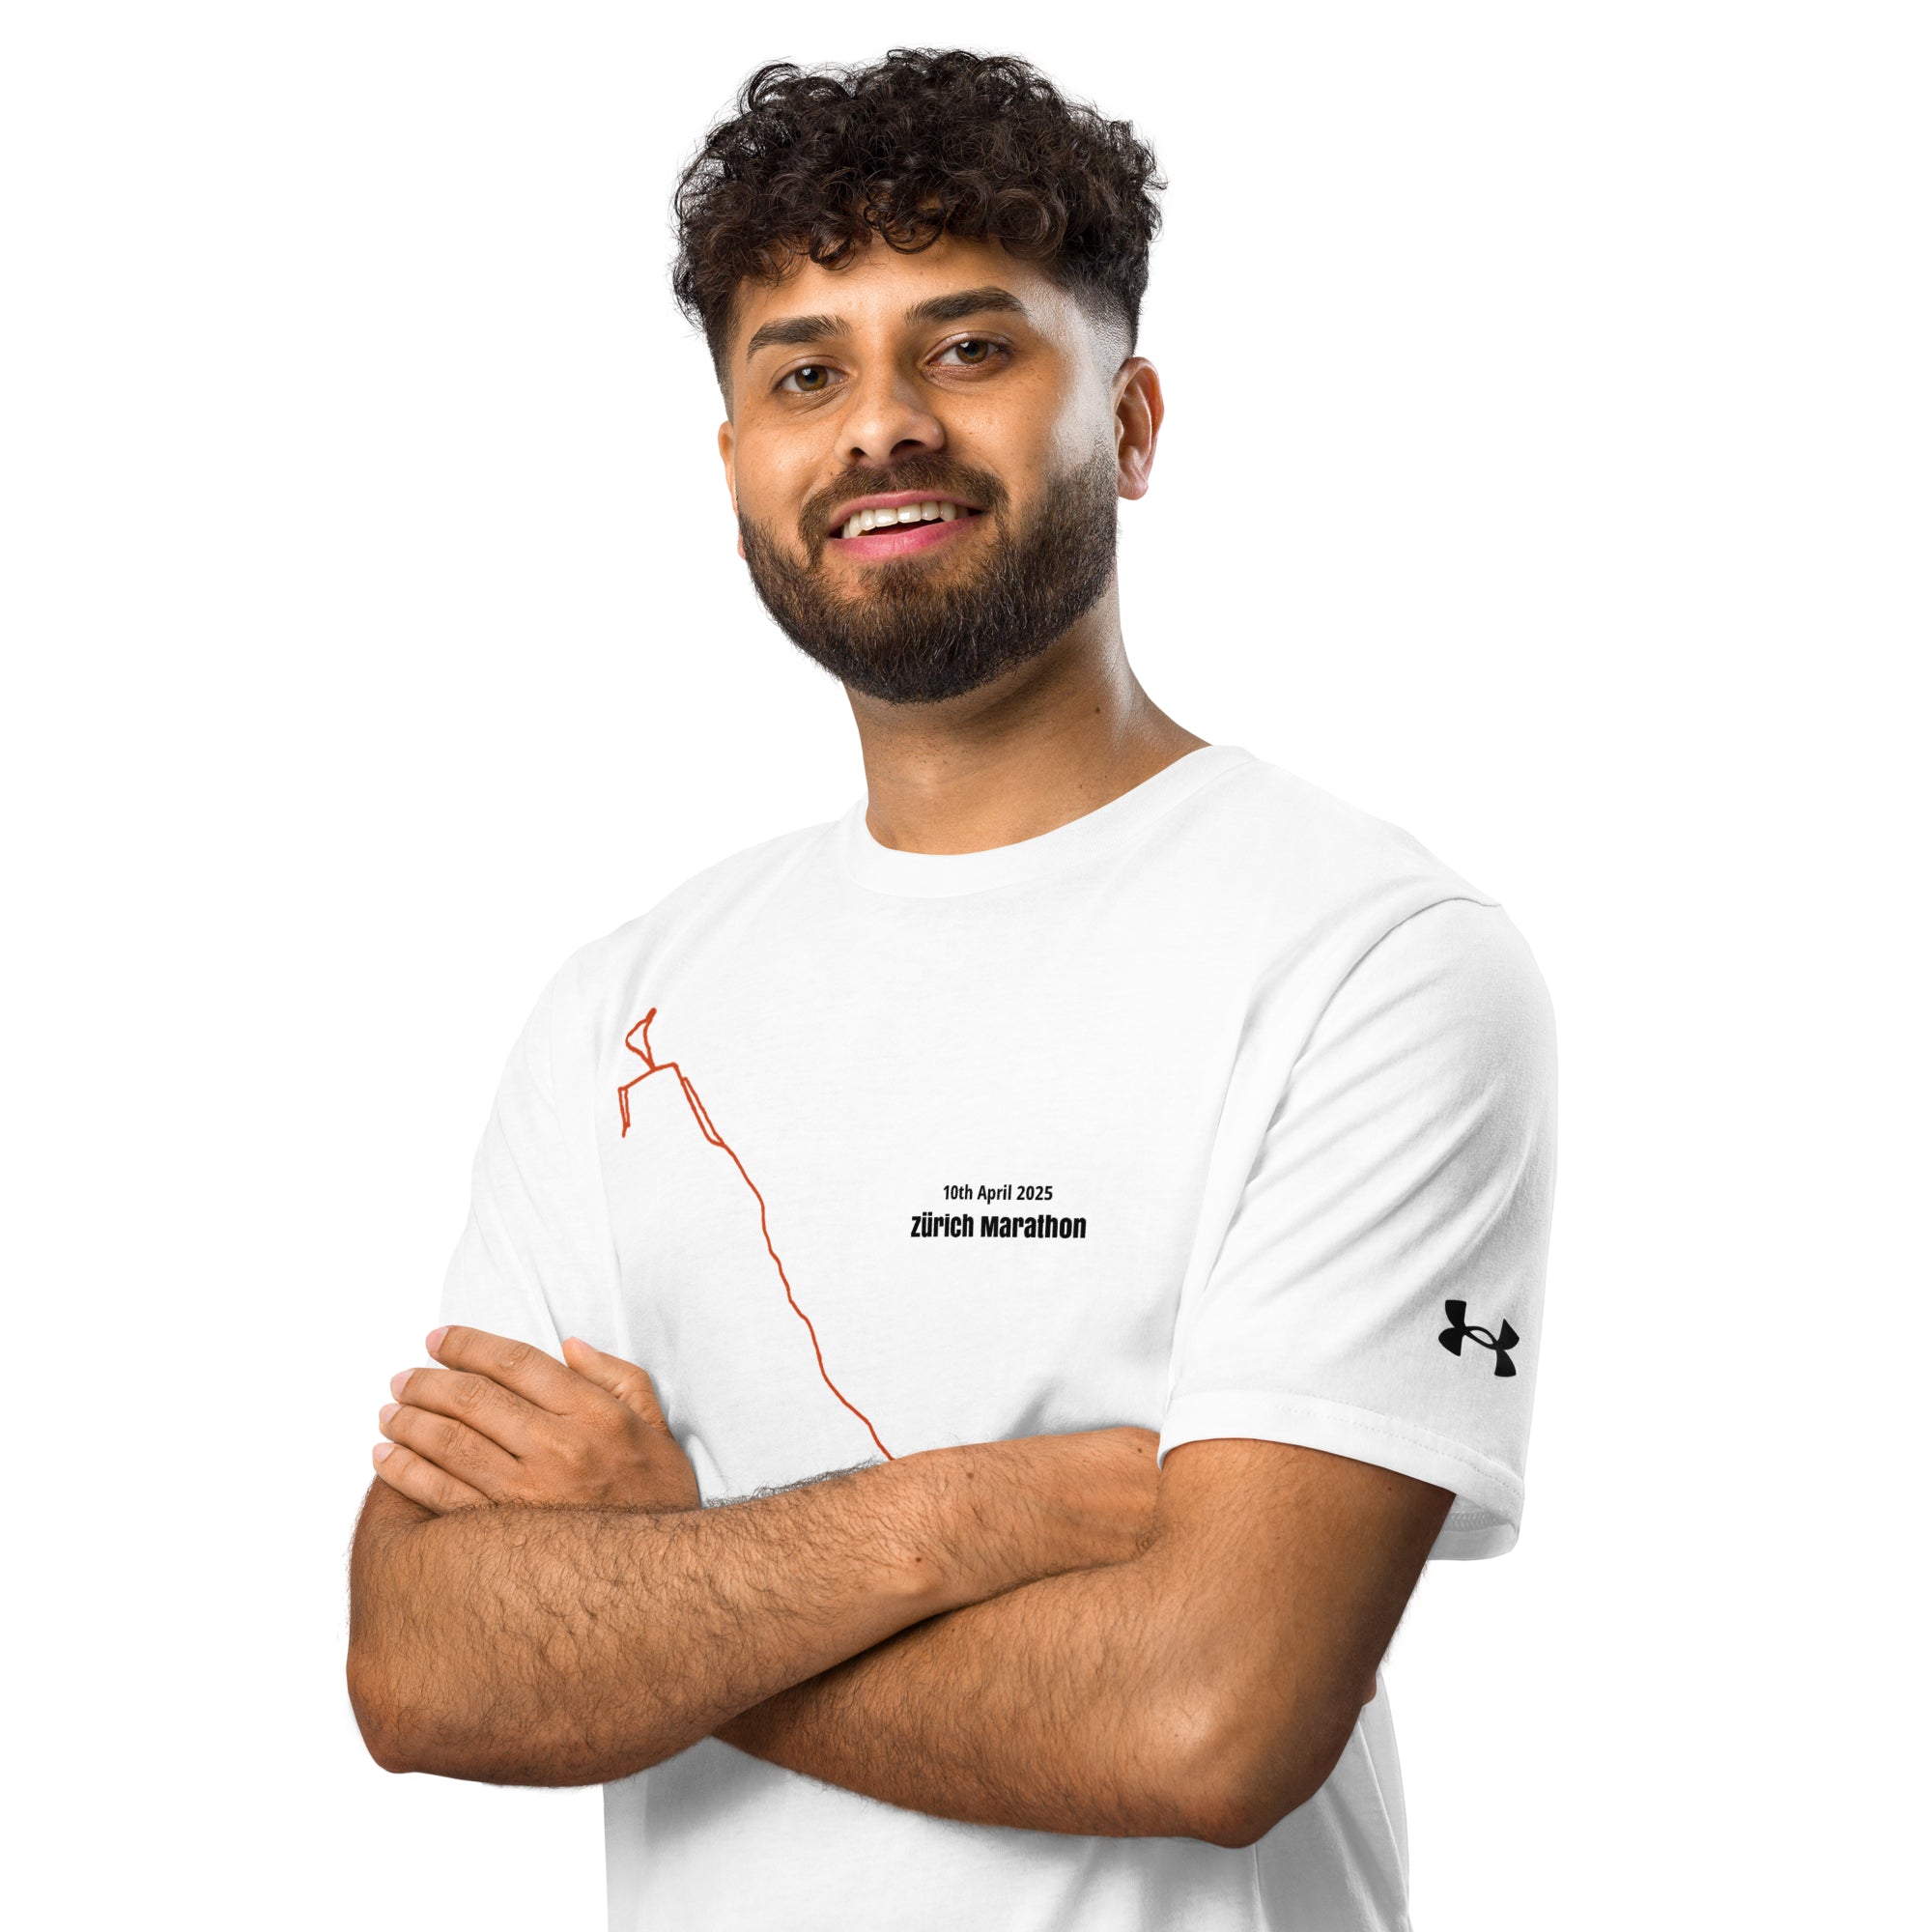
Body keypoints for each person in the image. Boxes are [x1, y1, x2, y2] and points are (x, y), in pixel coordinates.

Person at [347, 48, 1557, 1932]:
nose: (880, 425)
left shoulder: (1368, 963)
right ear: (738, 457)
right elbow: (426, 1665)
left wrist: (657, 1589)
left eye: (971, 348)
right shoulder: (629, 1016)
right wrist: (964, 1518)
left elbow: (1208, 1719)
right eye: (803, 370)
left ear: (1132, 418)